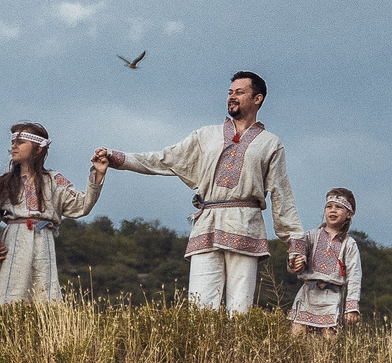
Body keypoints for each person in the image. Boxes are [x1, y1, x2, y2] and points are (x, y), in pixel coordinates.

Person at [96, 71, 305, 314]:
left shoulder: (271, 143)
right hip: (206, 224)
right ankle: (201, 353)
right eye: (230, 93)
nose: (232, 97)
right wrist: (118, 158)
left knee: (240, 310)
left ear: (257, 99)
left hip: (245, 225)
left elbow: (281, 193)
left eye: (239, 92)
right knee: (200, 307)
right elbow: (164, 159)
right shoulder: (206, 135)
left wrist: (295, 242)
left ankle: (236, 352)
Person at [0, 122, 106, 305]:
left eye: (20, 142)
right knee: (11, 294)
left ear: (38, 148)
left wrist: (97, 175)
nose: (13, 146)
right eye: (13, 142)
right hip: (14, 242)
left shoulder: (54, 180)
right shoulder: (5, 182)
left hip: (43, 241)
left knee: (45, 295)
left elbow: (81, 205)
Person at [286, 188, 363, 337]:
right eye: (329, 206)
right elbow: (294, 264)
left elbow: (354, 276)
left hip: (332, 296)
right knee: (297, 336)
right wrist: (294, 264)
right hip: (307, 294)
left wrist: (352, 307)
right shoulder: (310, 236)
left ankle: (326, 362)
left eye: (339, 207)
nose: (333, 210)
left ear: (349, 213)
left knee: (329, 340)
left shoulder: (350, 244)